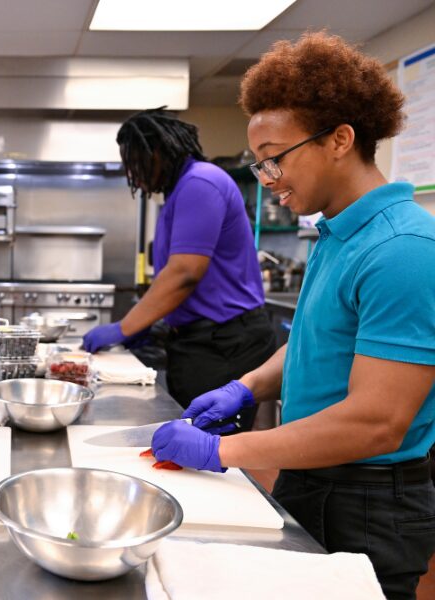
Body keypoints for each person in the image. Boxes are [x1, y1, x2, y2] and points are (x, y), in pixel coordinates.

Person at [150, 32, 435, 600]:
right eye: (260, 166)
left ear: (340, 139)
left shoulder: (404, 249)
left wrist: (222, 451)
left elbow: (376, 422)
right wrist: (246, 385)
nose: (270, 179)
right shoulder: (334, 233)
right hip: (313, 477)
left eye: (275, 159)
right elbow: (314, 341)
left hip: (370, 500)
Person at [82, 108, 276, 417]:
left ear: (158, 152)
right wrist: (153, 323)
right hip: (205, 340)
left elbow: (184, 273)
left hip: (224, 343)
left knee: (211, 446)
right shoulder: (182, 190)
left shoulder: (200, 182)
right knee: (193, 439)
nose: (134, 176)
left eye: (136, 163)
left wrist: (125, 326)